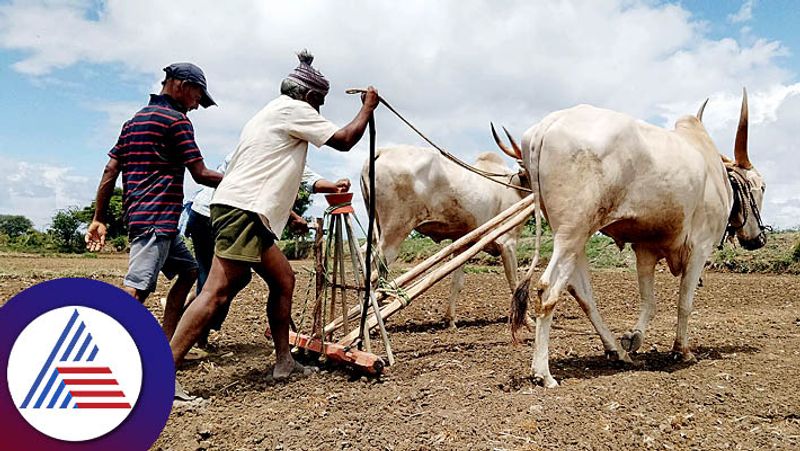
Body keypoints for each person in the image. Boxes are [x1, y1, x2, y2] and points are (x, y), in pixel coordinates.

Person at [169, 50, 378, 393]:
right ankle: (165, 373)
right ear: (309, 96)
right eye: (320, 102)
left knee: (284, 279)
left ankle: (284, 363)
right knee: (216, 292)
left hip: (246, 210)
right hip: (243, 210)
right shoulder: (295, 110)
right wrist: (367, 108)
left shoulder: (269, 114)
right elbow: (343, 141)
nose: (319, 110)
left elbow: (288, 171)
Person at [85, 63, 224, 340]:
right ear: (183, 86)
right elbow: (200, 174)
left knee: (189, 271)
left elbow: (110, 170)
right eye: (197, 97)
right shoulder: (177, 121)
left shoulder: (133, 121)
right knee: (138, 288)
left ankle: (166, 341)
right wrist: (244, 181)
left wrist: (98, 217)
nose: (196, 106)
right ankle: (102, 347)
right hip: (156, 219)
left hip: (148, 217)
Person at [184, 154, 351, 349]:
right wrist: (332, 187)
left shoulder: (255, 140)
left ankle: (193, 328)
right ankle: (187, 345)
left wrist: (299, 212)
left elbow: (267, 185)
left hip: (210, 211)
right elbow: (292, 179)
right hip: (221, 214)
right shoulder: (276, 145)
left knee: (228, 280)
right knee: (219, 285)